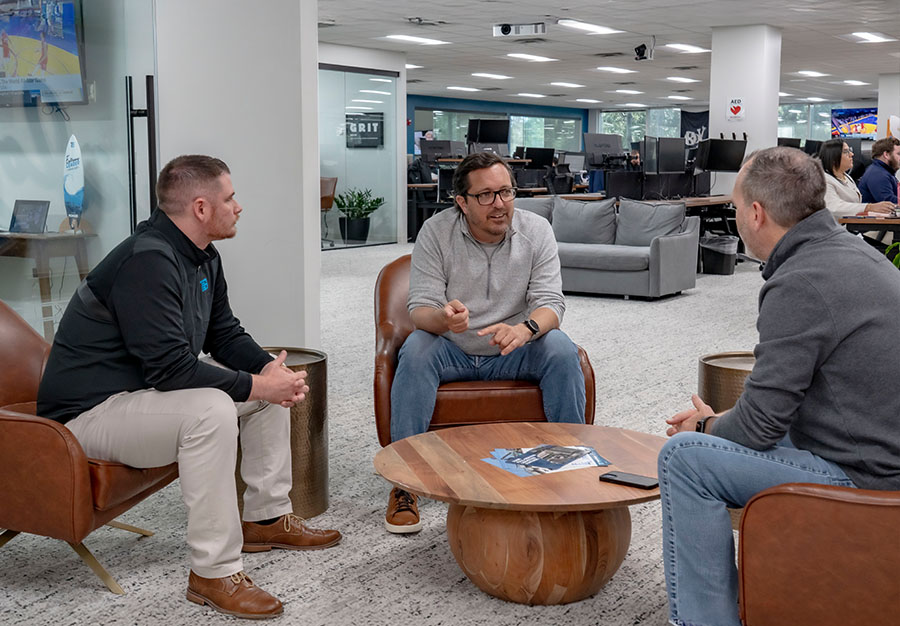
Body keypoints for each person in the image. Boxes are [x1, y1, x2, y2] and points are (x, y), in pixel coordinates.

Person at [37, 155, 341, 620]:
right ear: (201, 207)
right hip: (87, 417)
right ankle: (213, 573)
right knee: (213, 409)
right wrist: (257, 385)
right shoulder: (146, 260)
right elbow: (172, 371)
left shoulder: (203, 256)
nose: (238, 206)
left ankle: (265, 517)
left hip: (140, 400)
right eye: (230, 198)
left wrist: (269, 372)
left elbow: (224, 334)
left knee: (264, 398)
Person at [657, 146, 900, 626]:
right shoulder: (852, 252)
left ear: (755, 213)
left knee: (683, 459)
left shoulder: (802, 281)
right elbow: (777, 404)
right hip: (872, 443)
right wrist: (720, 422)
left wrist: (706, 427)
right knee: (717, 436)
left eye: (734, 206)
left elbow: (759, 429)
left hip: (868, 475)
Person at [385, 151, 586, 533]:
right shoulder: (436, 231)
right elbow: (420, 309)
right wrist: (444, 319)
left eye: (506, 192)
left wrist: (526, 328)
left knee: (561, 348)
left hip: (514, 348)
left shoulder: (537, 230)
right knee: (415, 349)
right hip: (452, 348)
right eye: (486, 195)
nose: (500, 204)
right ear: (462, 202)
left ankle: (571, 469)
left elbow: (551, 303)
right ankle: (404, 482)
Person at [818, 138, 894, 216]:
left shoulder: (846, 177)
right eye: (846, 152)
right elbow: (834, 207)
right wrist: (869, 207)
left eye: (850, 150)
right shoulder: (824, 180)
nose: (851, 154)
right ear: (833, 156)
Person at [858, 136, 900, 205]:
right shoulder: (877, 174)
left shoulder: (884, 171)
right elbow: (889, 202)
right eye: (898, 154)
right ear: (886, 155)